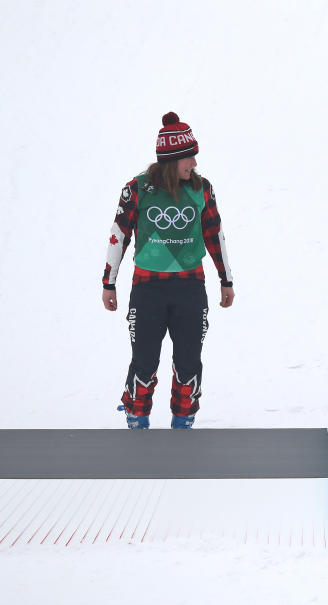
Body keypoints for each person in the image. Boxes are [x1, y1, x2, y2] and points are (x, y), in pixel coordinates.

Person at [102, 112, 235, 429]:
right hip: (148, 290)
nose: (193, 164)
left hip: (190, 288)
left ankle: (183, 420)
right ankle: (137, 418)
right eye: (188, 158)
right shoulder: (137, 189)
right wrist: (109, 283)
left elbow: (214, 233)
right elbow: (119, 234)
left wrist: (225, 279)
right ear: (170, 160)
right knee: (145, 362)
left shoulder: (203, 189)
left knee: (188, 362)